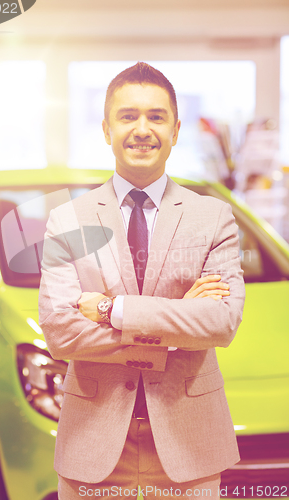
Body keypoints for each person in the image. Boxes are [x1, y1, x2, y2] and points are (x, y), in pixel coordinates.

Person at [39, 62, 245, 500]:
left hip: (191, 445)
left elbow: (221, 323)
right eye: (127, 116)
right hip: (91, 448)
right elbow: (59, 333)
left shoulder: (213, 218)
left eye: (156, 116)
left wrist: (112, 310)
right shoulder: (67, 219)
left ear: (175, 129)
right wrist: (175, 331)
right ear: (106, 128)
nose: (142, 129)